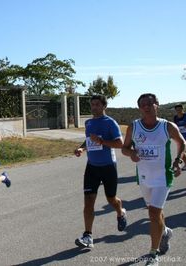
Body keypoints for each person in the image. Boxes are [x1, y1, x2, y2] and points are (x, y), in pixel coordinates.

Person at [122, 93, 185, 265]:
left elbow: (182, 142)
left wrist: (178, 160)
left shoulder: (167, 126)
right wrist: (132, 153)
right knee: (155, 213)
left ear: (157, 104)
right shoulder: (134, 127)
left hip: (163, 176)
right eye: (142, 104)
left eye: (150, 103)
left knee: (153, 213)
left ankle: (153, 253)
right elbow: (124, 148)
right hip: (144, 177)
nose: (146, 107)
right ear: (139, 107)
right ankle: (165, 232)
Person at [74, 95, 127, 249]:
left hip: (108, 166)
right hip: (92, 167)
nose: (94, 107)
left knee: (111, 199)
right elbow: (89, 140)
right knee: (89, 202)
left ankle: (120, 212)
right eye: (92, 104)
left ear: (104, 106)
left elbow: (120, 143)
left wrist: (102, 141)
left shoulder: (110, 123)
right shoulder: (89, 122)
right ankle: (88, 236)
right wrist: (81, 148)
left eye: (97, 104)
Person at [173, 104, 186, 170]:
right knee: (181, 151)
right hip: (180, 136)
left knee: (183, 151)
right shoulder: (175, 117)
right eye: (177, 110)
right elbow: (175, 127)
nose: (178, 111)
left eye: (180, 109)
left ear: (182, 109)